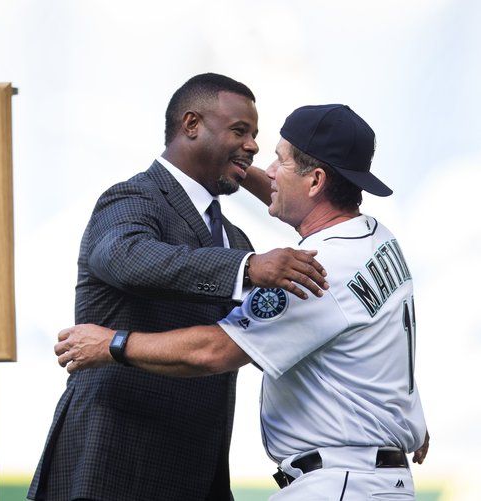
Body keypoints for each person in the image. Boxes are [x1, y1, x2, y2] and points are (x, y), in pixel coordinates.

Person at [55, 104, 430, 500]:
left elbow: (213, 351)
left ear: (317, 180)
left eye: (279, 160)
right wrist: (225, 165)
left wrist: (111, 344)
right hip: (381, 476)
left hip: (336, 484)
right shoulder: (377, 238)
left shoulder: (313, 271)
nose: (266, 169)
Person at [29, 74, 330, 501]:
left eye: (255, 135)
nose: (253, 146)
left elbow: (271, 337)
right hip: (114, 464)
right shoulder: (132, 199)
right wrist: (247, 268)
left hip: (196, 468)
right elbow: (128, 259)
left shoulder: (235, 238)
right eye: (239, 131)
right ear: (191, 125)